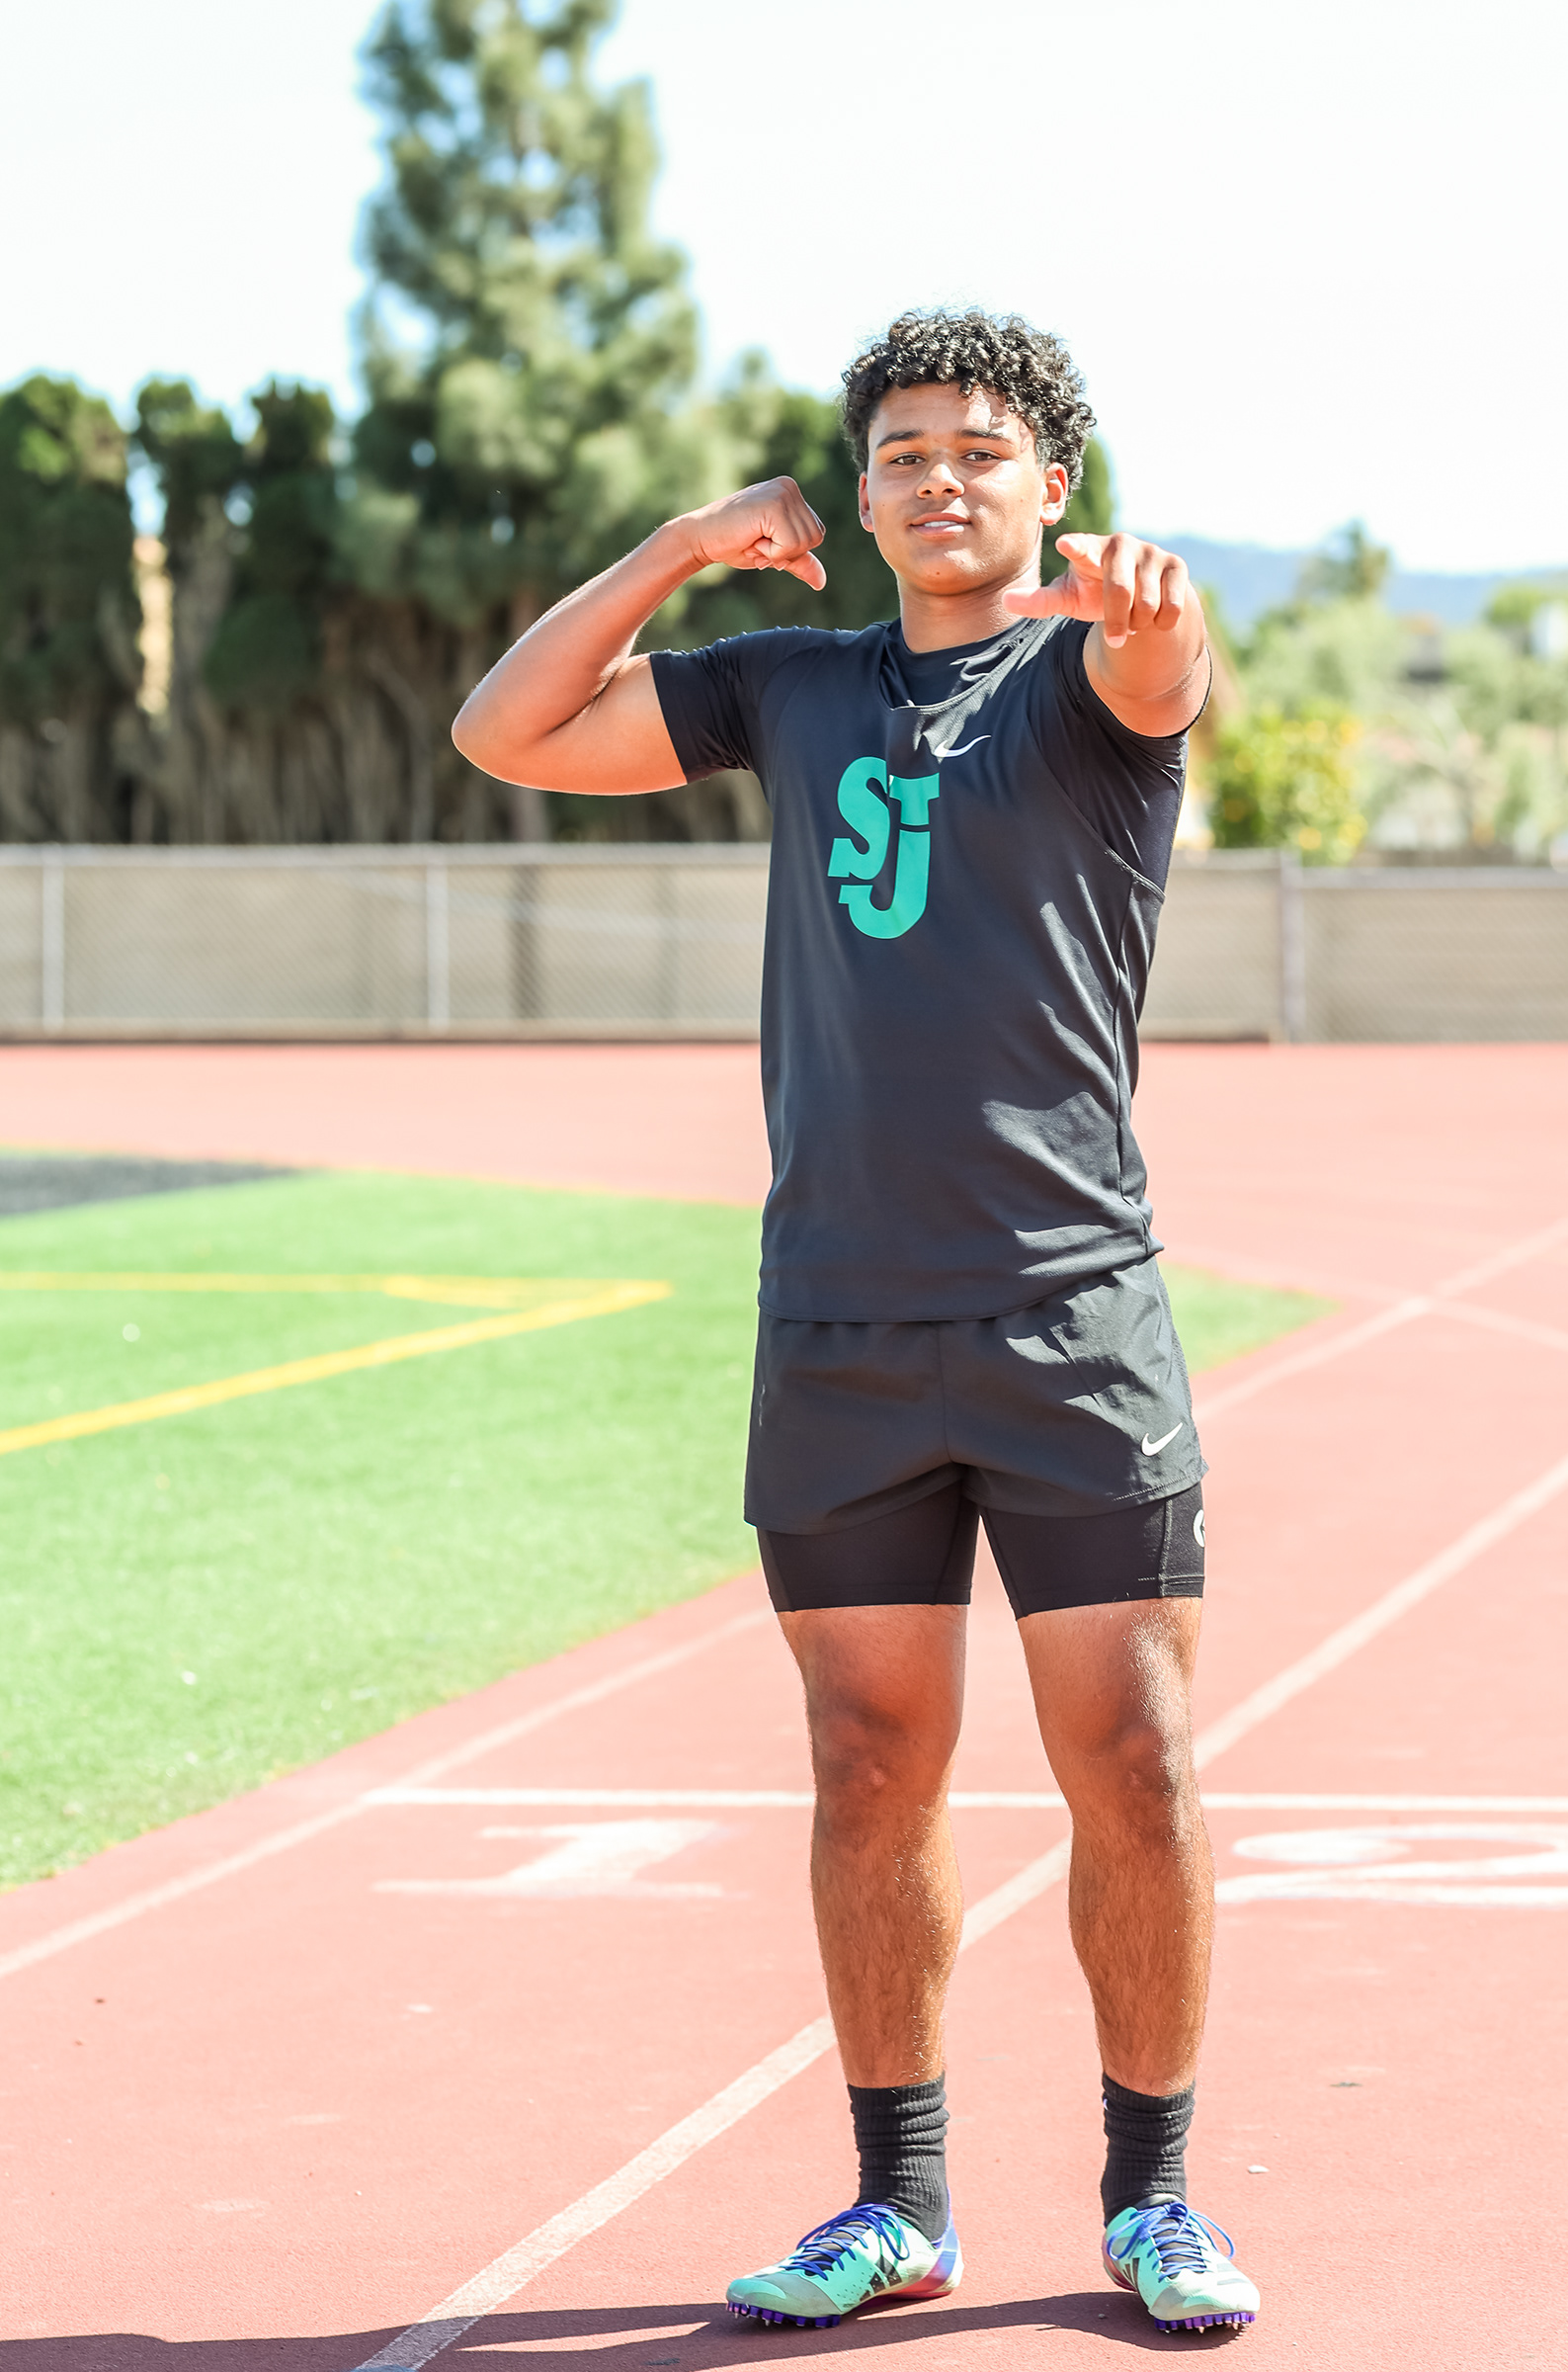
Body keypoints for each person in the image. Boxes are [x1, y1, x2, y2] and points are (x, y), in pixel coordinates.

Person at [453, 308, 1258, 2337]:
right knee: (866, 1760)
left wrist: (1152, 607)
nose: (939, 480)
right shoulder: (789, 684)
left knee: (1136, 1759)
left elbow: (1167, 671)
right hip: (838, 1319)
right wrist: (675, 550)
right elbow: (509, 733)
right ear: (862, 491)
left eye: (981, 451)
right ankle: (899, 2204)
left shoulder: (1087, 670)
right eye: (903, 453)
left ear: (1051, 483)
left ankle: (1154, 2198)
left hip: (1069, 1309)